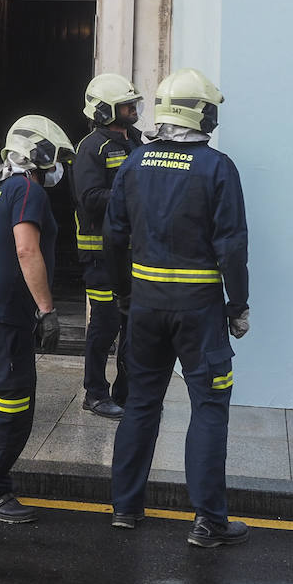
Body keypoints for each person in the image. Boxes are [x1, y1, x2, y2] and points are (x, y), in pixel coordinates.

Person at [106, 68, 251, 548]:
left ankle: (125, 508)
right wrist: (239, 304)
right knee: (208, 407)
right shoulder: (216, 167)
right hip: (199, 310)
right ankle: (208, 522)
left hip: (145, 307)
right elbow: (231, 245)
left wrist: (122, 295)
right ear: (198, 112)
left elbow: (114, 236)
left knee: (141, 404)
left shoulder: (134, 162)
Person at [0, 115, 74, 524]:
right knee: (12, 401)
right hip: (7, 315)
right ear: (40, 154)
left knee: (9, 398)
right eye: (55, 158)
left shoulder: (3, 190)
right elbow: (27, 250)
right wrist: (48, 311)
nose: (58, 168)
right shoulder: (29, 190)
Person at [70, 73, 144, 420]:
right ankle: (94, 393)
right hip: (100, 256)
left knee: (132, 325)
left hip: (133, 253)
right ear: (104, 111)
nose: (133, 110)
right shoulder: (91, 148)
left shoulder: (138, 141)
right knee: (105, 324)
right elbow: (90, 199)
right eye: (126, 105)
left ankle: (126, 393)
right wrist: (135, 195)